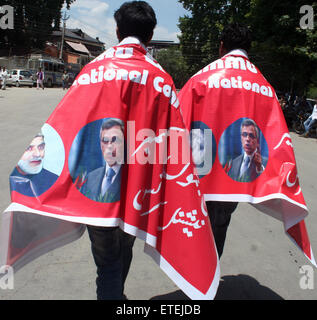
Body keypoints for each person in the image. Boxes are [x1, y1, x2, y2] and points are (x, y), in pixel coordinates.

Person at [82, 1, 162, 300]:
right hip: (137, 193)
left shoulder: (92, 70)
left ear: (117, 31)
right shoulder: (161, 79)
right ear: (150, 37)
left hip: (97, 205)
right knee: (121, 252)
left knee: (107, 264)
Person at [179, 23, 263, 258]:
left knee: (196, 226)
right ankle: (210, 281)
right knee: (220, 224)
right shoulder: (263, 86)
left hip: (202, 168)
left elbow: (179, 121)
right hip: (233, 179)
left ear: (221, 48)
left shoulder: (201, 78)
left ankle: (198, 282)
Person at [80, 118, 124, 203]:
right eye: (105, 141)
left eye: (115, 140)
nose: (109, 146)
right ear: (100, 145)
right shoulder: (91, 177)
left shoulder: (131, 178)